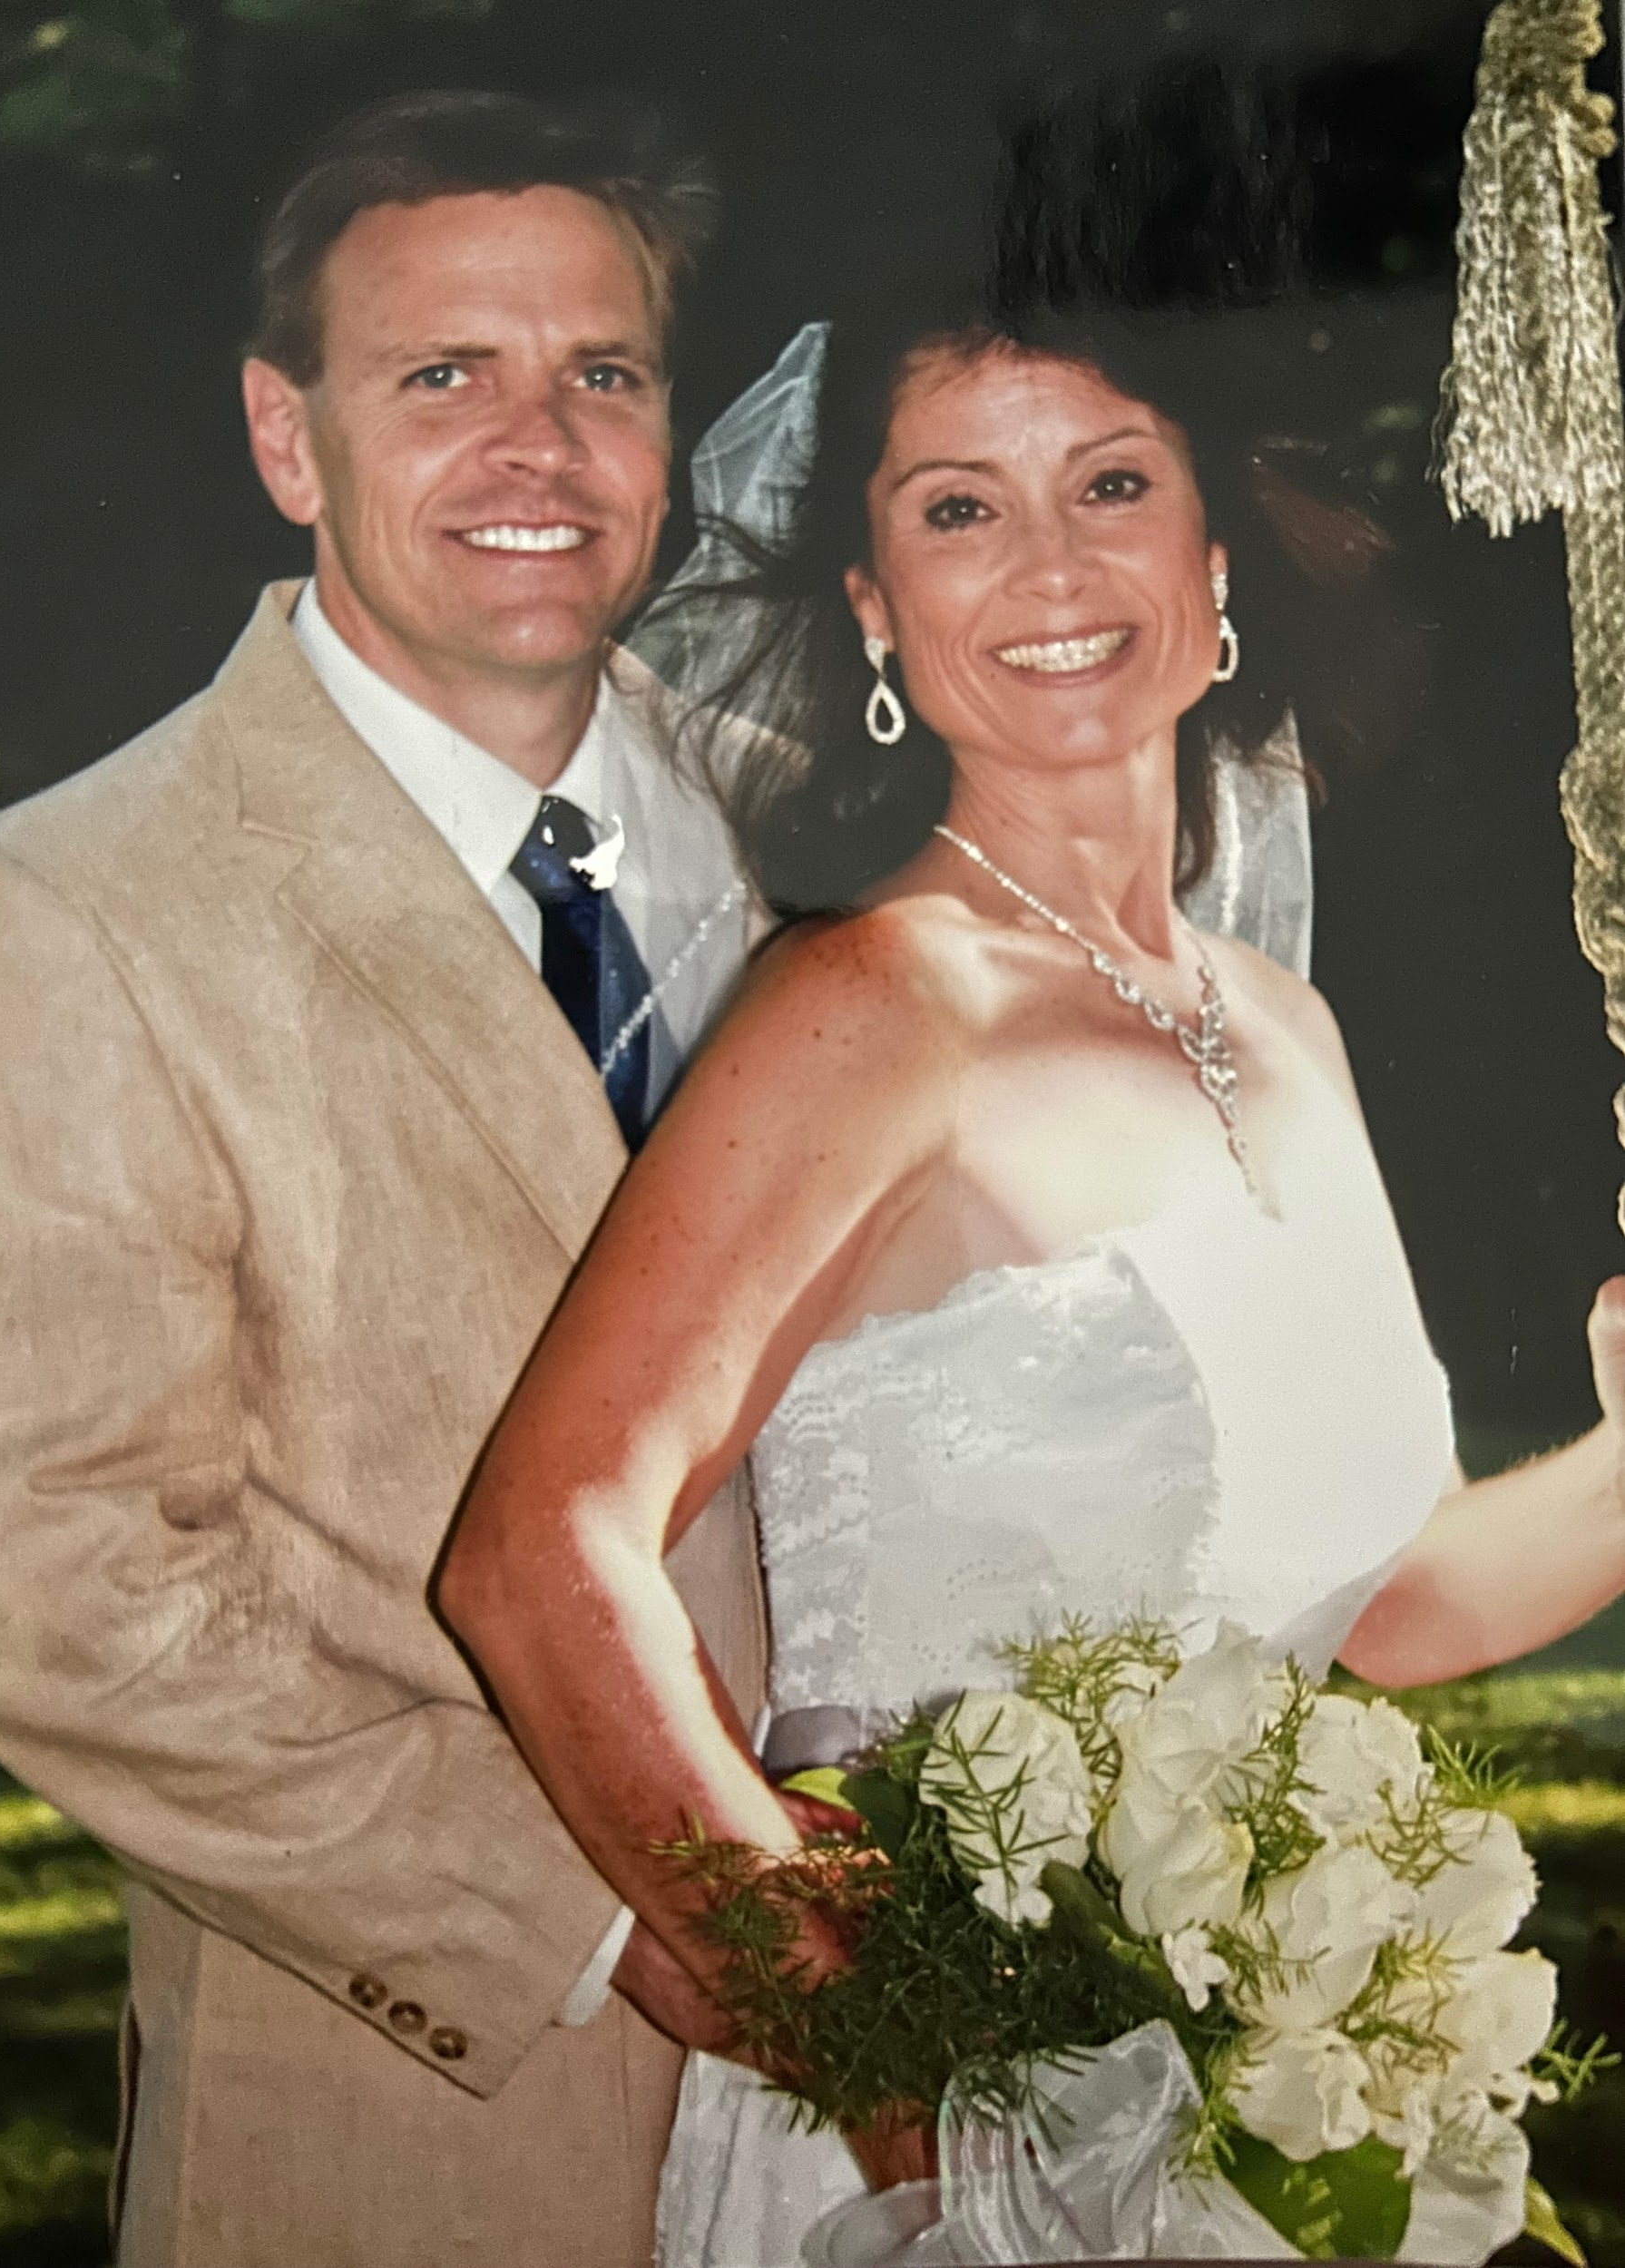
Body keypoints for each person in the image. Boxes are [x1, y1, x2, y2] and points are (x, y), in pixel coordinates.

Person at [435, 275, 1625, 2265]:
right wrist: (861, 2039)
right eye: (958, 509)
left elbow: (1388, 1592)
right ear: (874, 608)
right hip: (938, 2164)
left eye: (1109, 481)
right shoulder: (875, 1000)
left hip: (1248, 2122)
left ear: (1211, 549)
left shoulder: (1278, 1026)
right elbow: (542, 1539)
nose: (1050, 562)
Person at [0, 89, 767, 2268]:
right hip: (421, 2133)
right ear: (288, 441)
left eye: (601, 372)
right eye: (440, 376)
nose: (537, 444)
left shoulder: (816, 834)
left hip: (924, 2129)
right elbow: (74, 1601)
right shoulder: (59, 914)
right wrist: (611, 1906)